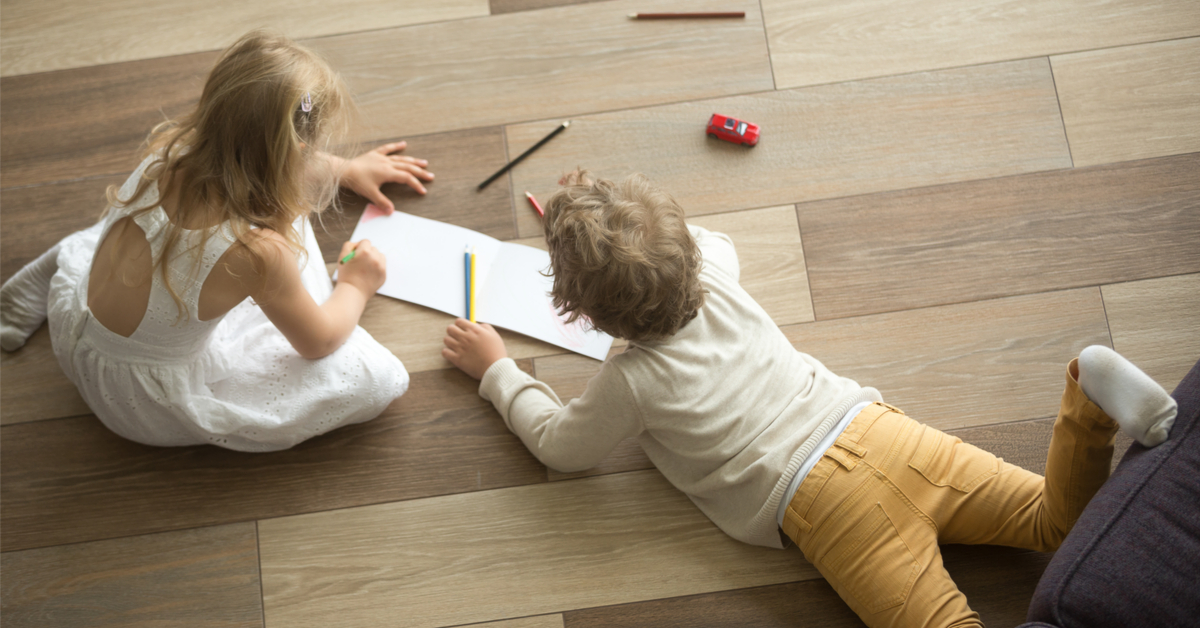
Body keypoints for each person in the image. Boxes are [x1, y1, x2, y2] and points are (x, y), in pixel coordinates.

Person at [440, 171, 1179, 627]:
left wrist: (498, 370)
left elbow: (561, 448)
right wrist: (604, 213)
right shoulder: (718, 270)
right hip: (885, 434)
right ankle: (1087, 396)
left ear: (583, 316)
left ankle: (1090, 400)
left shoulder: (633, 379)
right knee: (1057, 522)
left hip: (827, 507)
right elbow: (685, 243)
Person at [0, 30, 434, 452]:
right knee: (376, 377)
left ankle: (45, 279)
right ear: (298, 151)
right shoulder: (257, 253)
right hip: (135, 399)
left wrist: (343, 169)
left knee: (124, 242)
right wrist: (355, 284)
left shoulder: (170, 153)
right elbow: (318, 342)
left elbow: (261, 151)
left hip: (79, 327)